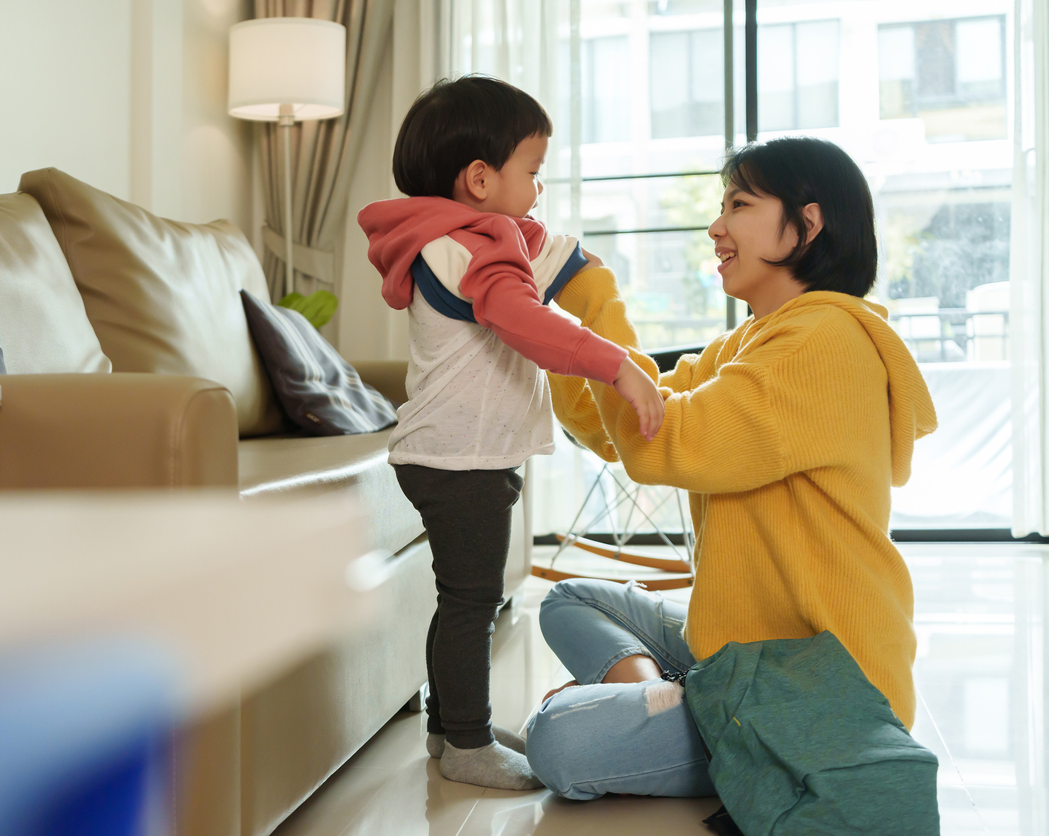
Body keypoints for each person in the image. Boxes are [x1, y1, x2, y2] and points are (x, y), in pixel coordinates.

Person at [524, 136, 938, 800]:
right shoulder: (752, 340)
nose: (715, 226)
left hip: (815, 690)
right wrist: (552, 326)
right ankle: (674, 699)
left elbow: (661, 442)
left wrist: (592, 293)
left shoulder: (821, 341)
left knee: (558, 739)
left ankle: (700, 719)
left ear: (808, 223)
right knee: (570, 599)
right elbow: (618, 427)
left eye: (738, 205)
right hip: (741, 648)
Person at [357, 76, 665, 791]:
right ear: (478, 178)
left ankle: (449, 725)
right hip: (458, 456)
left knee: (464, 596)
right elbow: (522, 314)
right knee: (474, 600)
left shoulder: (457, 240)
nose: (538, 191)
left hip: (458, 452)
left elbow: (533, 257)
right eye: (532, 173)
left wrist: (578, 263)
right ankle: (466, 743)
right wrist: (616, 365)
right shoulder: (461, 252)